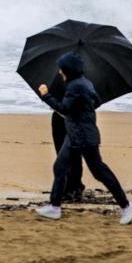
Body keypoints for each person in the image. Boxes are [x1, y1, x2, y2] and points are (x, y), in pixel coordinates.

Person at [35, 52, 132, 224]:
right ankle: (54, 206)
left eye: (61, 69)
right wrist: (79, 110)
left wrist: (46, 95)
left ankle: (126, 206)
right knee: (60, 167)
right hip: (74, 134)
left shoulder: (75, 86)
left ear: (68, 70)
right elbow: (96, 102)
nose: (59, 72)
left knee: (99, 172)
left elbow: (64, 109)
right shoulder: (86, 83)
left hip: (83, 136)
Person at [47, 71, 85, 202]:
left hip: (63, 119)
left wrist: (45, 95)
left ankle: (70, 188)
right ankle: (76, 186)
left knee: (63, 155)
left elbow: (56, 104)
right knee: (75, 155)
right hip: (78, 120)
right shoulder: (85, 81)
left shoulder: (59, 78)